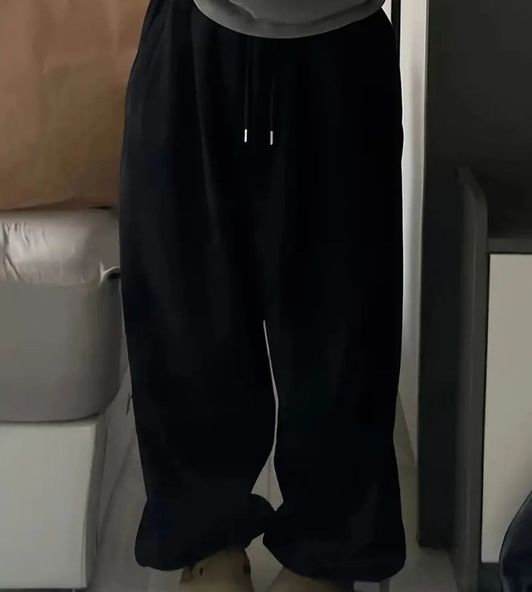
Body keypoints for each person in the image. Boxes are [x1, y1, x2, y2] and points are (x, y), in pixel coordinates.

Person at [119, 0, 406, 590]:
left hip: (341, 38)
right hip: (193, 33)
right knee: (185, 308)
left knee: (343, 323)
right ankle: (206, 537)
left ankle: (325, 552)